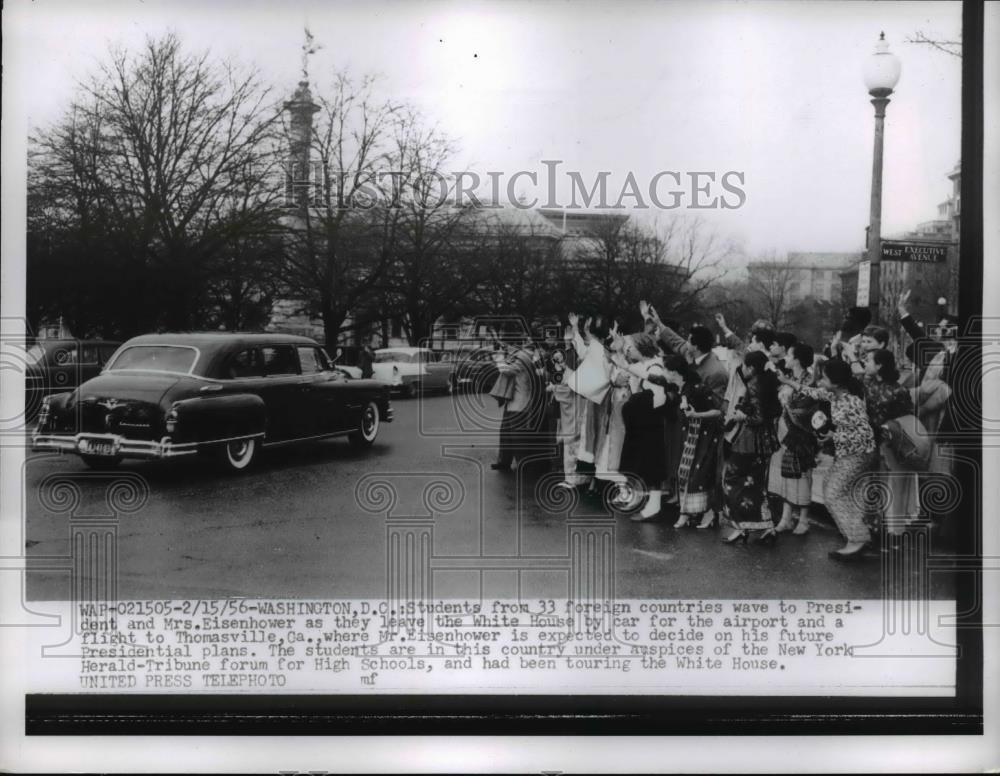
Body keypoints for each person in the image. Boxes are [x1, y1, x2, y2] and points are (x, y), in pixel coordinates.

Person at [783, 358, 876, 560]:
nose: (820, 381)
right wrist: (790, 383)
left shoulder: (851, 402)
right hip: (848, 452)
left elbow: (865, 434)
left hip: (857, 453)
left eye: (824, 378)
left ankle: (857, 539)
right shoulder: (835, 395)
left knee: (833, 493)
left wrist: (835, 436)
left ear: (837, 382)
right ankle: (858, 535)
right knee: (835, 490)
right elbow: (814, 392)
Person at [656, 355, 724, 528]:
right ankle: (687, 513)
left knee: (699, 476)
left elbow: (718, 411)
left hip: (704, 438)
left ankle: (707, 513)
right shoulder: (681, 388)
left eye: (666, 370)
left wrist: (696, 415)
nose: (664, 373)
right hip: (690, 437)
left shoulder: (697, 389)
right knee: (684, 473)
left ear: (675, 372)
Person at [721, 350, 781, 543]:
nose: (742, 369)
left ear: (751, 368)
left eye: (745, 366)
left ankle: (740, 526)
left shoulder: (754, 384)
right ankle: (767, 526)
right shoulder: (768, 381)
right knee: (757, 485)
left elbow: (757, 417)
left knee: (733, 481)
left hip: (750, 440)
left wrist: (741, 415)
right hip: (765, 442)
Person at [863, 348, 920, 544]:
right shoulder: (867, 385)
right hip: (873, 443)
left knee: (894, 486)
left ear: (879, 365)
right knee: (874, 484)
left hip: (892, 445)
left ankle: (894, 531)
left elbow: (909, 418)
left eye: (869, 360)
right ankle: (874, 527)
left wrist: (889, 428)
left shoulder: (898, 390)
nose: (865, 363)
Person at [770, 342, 817, 535]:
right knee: (787, 475)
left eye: (789, 355)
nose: (786, 359)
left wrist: (786, 399)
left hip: (801, 436)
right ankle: (786, 516)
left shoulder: (810, 381)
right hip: (785, 433)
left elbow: (802, 411)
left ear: (797, 359)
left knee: (803, 476)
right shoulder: (789, 378)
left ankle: (804, 519)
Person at [640, 301, 728, 402]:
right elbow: (676, 341)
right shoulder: (692, 352)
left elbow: (719, 407)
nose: (685, 342)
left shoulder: (717, 373)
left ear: (696, 347)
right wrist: (659, 323)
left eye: (688, 341)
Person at [619, 371, 671, 520]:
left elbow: (627, 412)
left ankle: (653, 506)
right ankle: (651, 504)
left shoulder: (642, 397)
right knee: (652, 473)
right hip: (650, 436)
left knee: (650, 472)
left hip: (646, 437)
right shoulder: (653, 396)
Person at [491, 337, 545, 472]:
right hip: (515, 402)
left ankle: (520, 464)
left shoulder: (522, 357)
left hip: (519, 403)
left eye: (507, 346)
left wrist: (499, 358)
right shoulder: (526, 356)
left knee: (516, 435)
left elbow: (506, 370)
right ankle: (506, 462)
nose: (507, 349)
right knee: (508, 433)